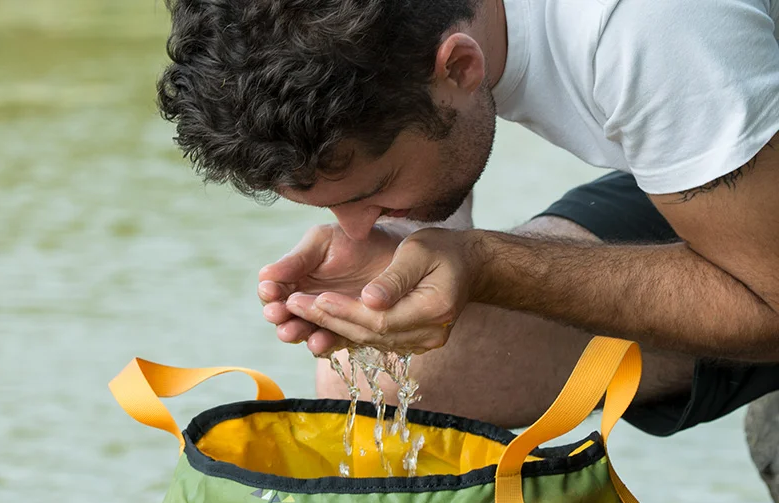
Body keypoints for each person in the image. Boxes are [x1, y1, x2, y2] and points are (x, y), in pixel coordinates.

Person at [157, 0, 779, 435]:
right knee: (388, 375)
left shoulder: (647, 28)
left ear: (459, 66)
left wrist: (488, 268)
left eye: (373, 190)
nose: (353, 227)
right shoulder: (425, 32)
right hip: (741, 153)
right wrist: (403, 251)